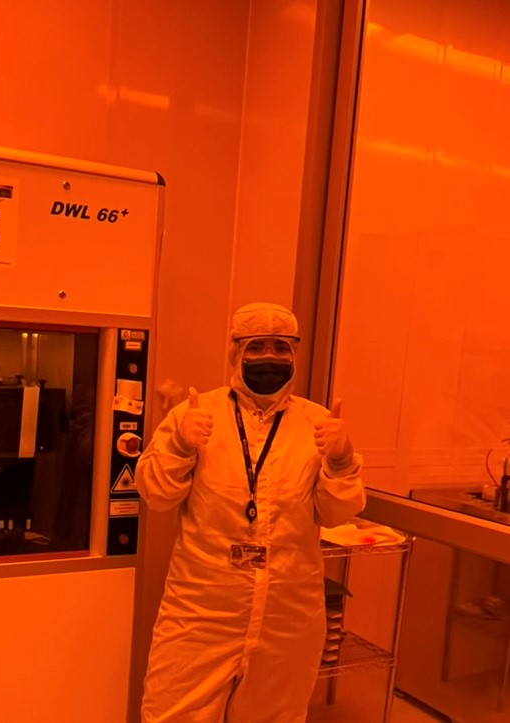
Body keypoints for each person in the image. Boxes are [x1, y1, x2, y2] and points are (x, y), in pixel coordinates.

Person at [136, 301, 366, 723]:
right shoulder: (195, 414)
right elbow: (155, 494)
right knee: (173, 714)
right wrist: (180, 446)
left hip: (288, 615)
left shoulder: (317, 424)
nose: (269, 357)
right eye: (256, 346)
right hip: (202, 611)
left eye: (281, 347)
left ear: (294, 354)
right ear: (235, 351)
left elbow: (336, 513)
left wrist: (341, 458)